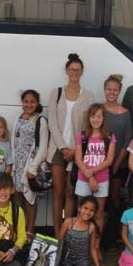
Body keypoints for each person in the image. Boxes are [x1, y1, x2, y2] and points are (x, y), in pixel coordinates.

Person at [47, 53, 95, 232]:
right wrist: (63, 147)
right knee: (58, 192)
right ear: (67, 71)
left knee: (70, 192)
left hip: (78, 150)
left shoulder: (88, 96)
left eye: (78, 70)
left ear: (82, 72)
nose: (75, 72)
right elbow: (52, 121)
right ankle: (56, 231)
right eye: (71, 69)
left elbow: (87, 125)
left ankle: (66, 231)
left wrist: (75, 149)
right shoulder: (56, 93)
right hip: (58, 149)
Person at [73, 103, 115, 247]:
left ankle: (95, 244)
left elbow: (109, 160)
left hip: (102, 180)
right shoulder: (82, 136)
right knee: (82, 211)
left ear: (103, 118)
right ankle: (80, 242)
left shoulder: (109, 137)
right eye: (93, 116)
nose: (95, 120)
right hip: (84, 179)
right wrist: (89, 176)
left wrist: (93, 172)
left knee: (98, 213)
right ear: (88, 118)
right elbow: (78, 159)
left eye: (99, 116)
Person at [11, 90, 48, 239]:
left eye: (32, 101)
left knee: (29, 198)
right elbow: (14, 142)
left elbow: (43, 148)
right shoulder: (18, 119)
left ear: (37, 103)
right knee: (18, 196)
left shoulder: (40, 120)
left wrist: (33, 168)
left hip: (29, 165)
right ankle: (19, 229)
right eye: (26, 101)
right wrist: (13, 165)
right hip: (17, 165)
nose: (29, 104)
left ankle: (30, 230)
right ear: (22, 103)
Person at [102, 74, 132, 238]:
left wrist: (116, 163)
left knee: (114, 199)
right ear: (104, 90)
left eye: (115, 90)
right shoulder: (98, 109)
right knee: (99, 200)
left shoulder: (126, 113)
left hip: (117, 165)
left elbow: (127, 140)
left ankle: (112, 236)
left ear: (119, 91)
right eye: (109, 89)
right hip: (98, 164)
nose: (112, 93)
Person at [56, 196, 101, 266]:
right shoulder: (69, 222)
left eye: (91, 210)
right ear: (79, 208)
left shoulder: (91, 227)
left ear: (94, 213)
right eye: (85, 208)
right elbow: (59, 241)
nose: (88, 212)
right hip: (66, 258)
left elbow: (92, 248)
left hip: (82, 259)